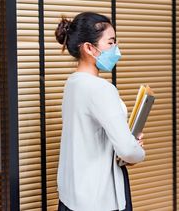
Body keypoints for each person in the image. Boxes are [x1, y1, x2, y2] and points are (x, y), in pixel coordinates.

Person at [55, 12, 145, 211]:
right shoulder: (102, 89)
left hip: (72, 196)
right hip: (100, 199)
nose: (116, 50)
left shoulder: (73, 83)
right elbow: (128, 150)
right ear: (89, 48)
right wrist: (135, 150)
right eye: (111, 43)